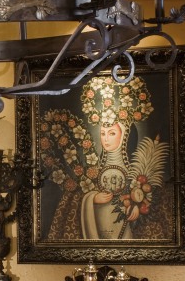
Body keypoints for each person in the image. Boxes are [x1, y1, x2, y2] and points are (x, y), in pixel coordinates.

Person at [43, 76, 167, 241]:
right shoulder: (90, 169)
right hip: (96, 228)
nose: (106, 139)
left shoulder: (136, 170)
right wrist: (92, 198)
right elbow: (74, 197)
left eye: (112, 133)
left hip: (126, 233)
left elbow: (151, 200)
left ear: (124, 135)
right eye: (103, 133)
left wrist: (139, 205)